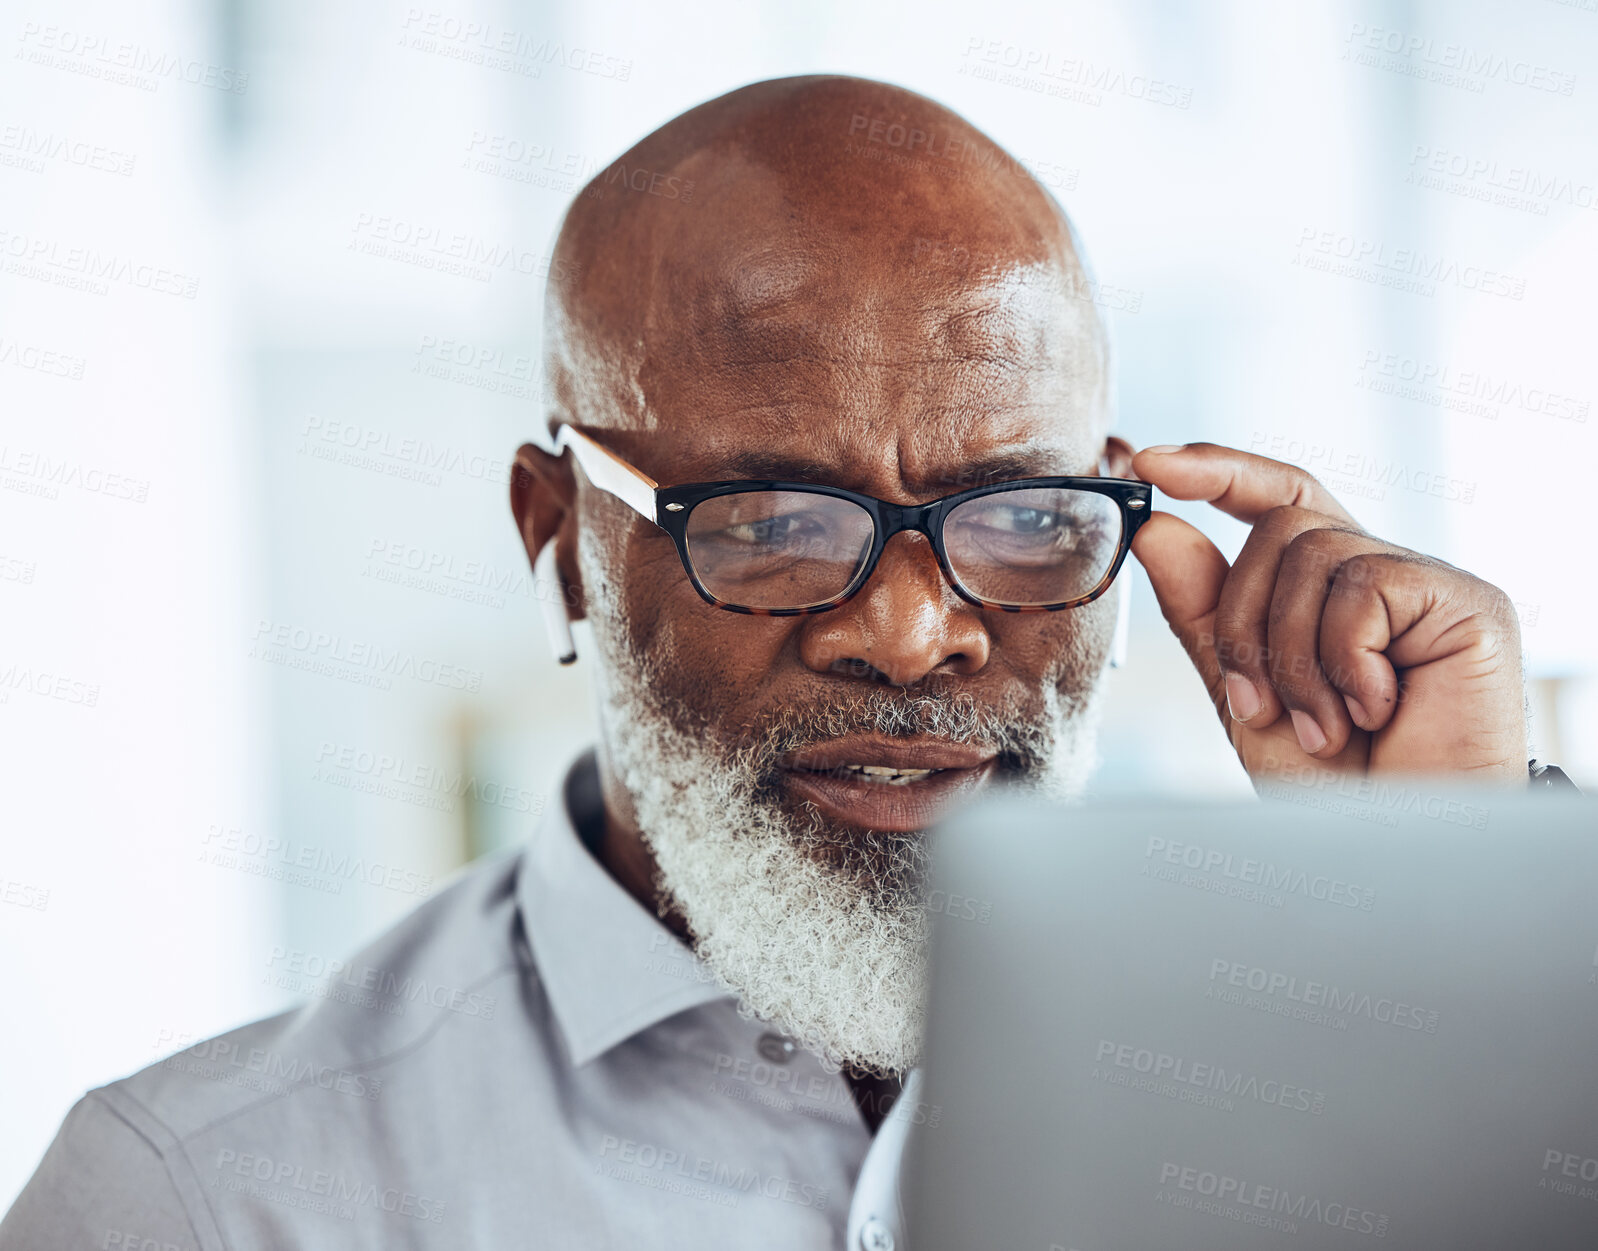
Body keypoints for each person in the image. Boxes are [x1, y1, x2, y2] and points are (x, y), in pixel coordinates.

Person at [1, 74, 1541, 1251]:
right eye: (771, 523)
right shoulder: (210, 1200)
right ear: (563, 547)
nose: (910, 630)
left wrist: (1457, 879)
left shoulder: (1334, 1067)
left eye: (1016, 513)